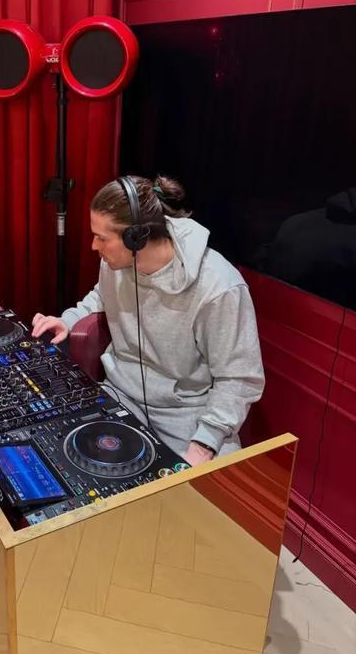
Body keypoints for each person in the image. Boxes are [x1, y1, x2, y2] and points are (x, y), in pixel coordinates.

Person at [32, 175, 265, 466]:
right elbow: (101, 296)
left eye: (102, 238)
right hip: (120, 395)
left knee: (210, 492)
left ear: (136, 237)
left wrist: (204, 444)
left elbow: (239, 378)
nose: (93, 246)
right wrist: (69, 319)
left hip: (187, 415)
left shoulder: (219, 286)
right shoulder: (114, 263)